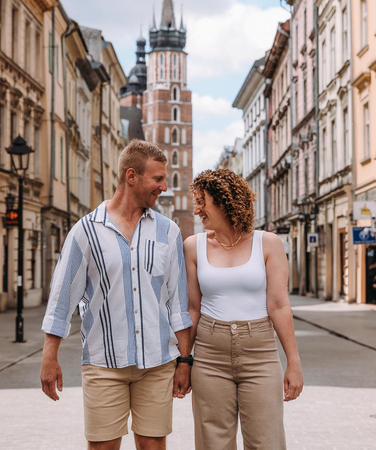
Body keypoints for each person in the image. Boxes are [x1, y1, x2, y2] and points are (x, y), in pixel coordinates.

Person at [40, 140, 193, 450]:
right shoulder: (86, 231)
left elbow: (178, 303)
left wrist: (185, 361)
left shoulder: (169, 232)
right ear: (131, 176)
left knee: (153, 444)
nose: (164, 186)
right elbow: (62, 299)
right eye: (158, 179)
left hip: (157, 362)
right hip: (103, 363)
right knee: (103, 447)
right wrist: (49, 357)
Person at [183, 168, 303, 450]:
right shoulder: (193, 246)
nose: (197, 208)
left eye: (202, 201)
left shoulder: (269, 243)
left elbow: (279, 305)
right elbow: (192, 309)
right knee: (213, 443)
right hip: (209, 355)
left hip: (260, 353)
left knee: (266, 441)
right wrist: (184, 361)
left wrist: (293, 362)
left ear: (224, 202)